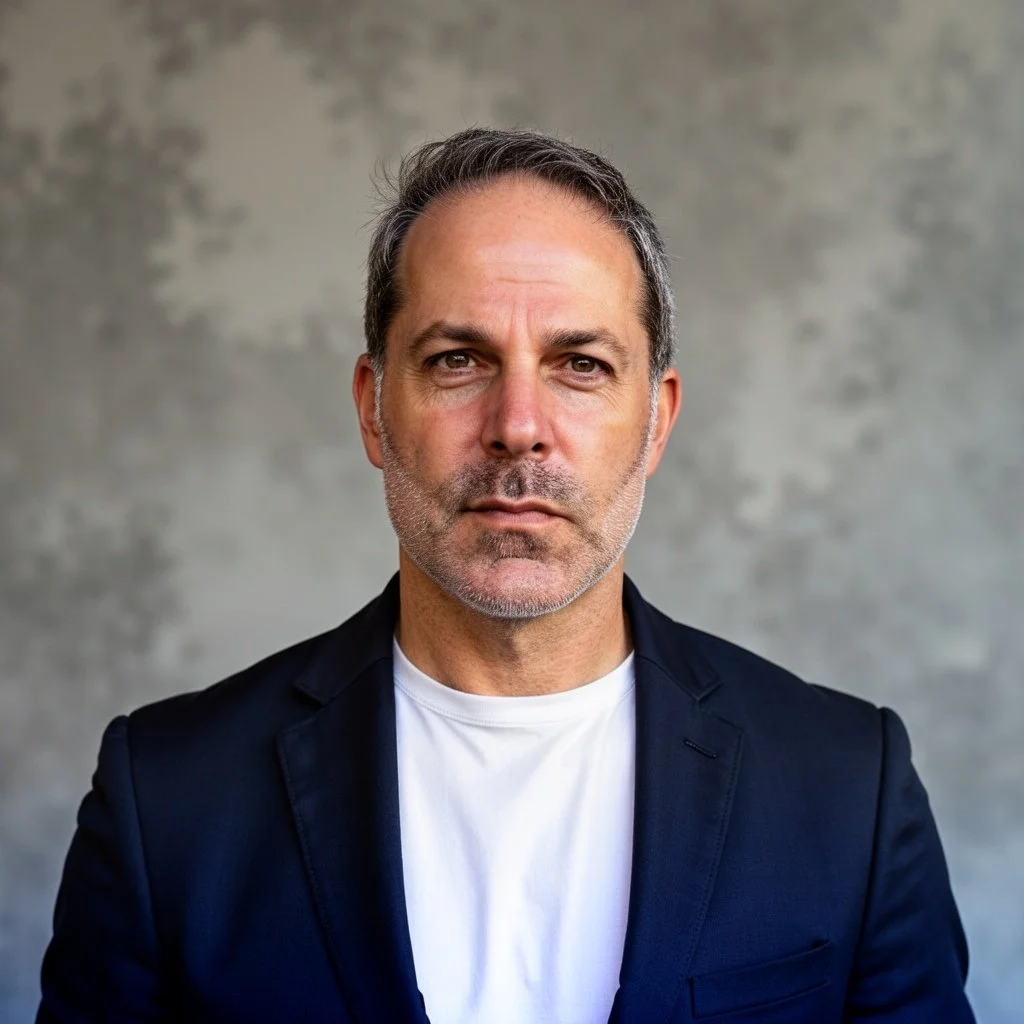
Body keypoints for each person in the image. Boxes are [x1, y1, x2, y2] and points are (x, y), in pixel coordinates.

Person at [37, 128, 975, 1024]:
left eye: (580, 364)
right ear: (373, 409)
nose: (517, 423)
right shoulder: (169, 800)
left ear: (656, 422)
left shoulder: (848, 788)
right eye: (458, 360)